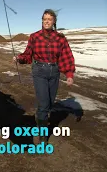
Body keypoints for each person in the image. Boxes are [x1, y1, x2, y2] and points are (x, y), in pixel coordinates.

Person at [13, 9, 75, 144]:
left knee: (50, 104)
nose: (47, 21)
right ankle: (42, 135)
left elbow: (66, 56)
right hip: (39, 71)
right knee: (44, 104)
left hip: (54, 71)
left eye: (49, 19)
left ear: (54, 22)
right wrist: (19, 58)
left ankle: (41, 119)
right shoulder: (34, 36)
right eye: (44, 19)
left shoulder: (60, 38)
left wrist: (69, 74)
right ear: (42, 21)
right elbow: (28, 54)